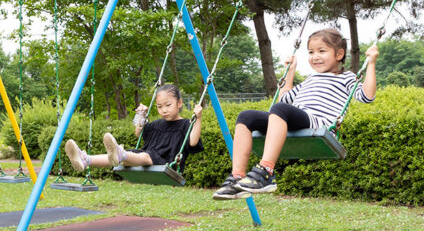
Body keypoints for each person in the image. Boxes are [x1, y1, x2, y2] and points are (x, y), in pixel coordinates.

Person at [213, 28, 378, 199]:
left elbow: (367, 96)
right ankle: (237, 178)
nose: (315, 57)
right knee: (246, 116)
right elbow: (284, 100)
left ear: (339, 54)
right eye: (311, 52)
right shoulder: (310, 80)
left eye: (322, 51)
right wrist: (290, 71)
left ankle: (266, 171)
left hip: (317, 122)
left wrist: (371, 64)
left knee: (279, 110)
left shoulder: (346, 78)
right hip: (296, 118)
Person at [64, 84, 204, 172]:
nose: (164, 110)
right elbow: (138, 133)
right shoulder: (156, 125)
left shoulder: (186, 124)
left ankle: (119, 154)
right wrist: (140, 116)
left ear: (179, 103)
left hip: (168, 163)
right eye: (159, 107)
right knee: (126, 155)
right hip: (148, 157)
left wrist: (198, 118)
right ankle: (86, 160)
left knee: (143, 156)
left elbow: (192, 142)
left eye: (168, 105)